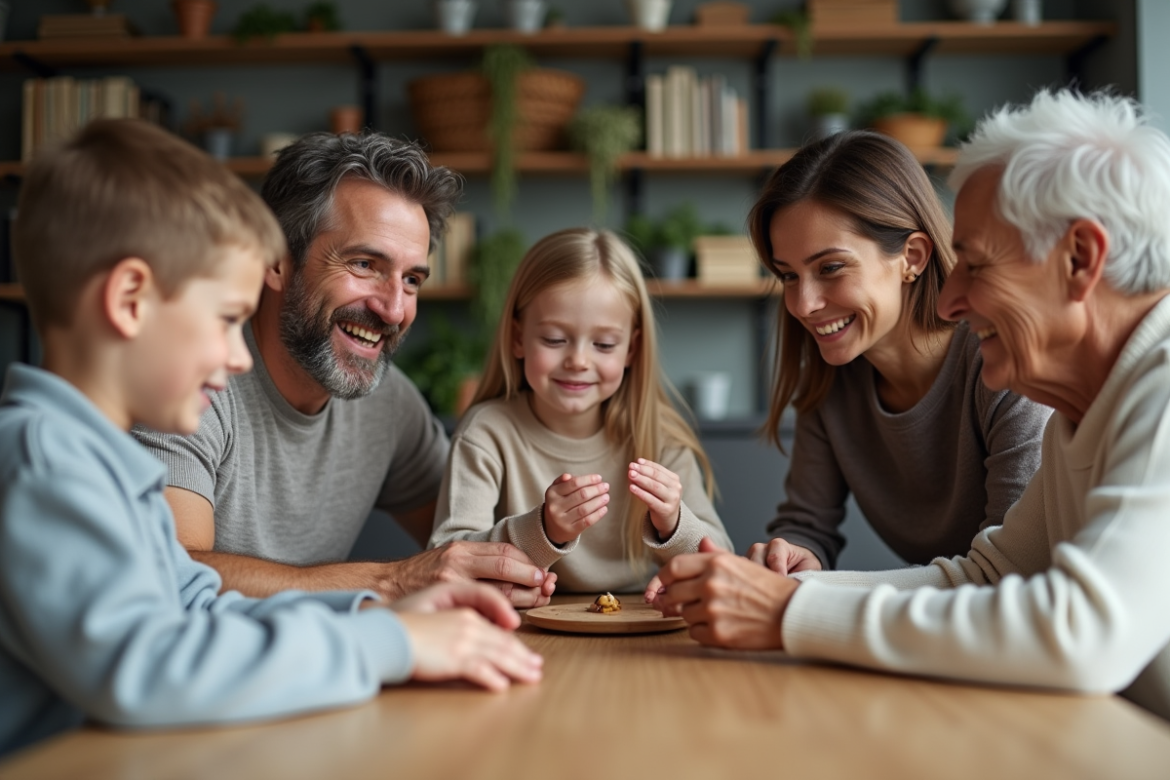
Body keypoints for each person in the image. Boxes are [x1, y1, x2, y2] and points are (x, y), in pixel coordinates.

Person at [0, 120, 542, 757]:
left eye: (412, 280)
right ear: (130, 300)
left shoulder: (105, 464)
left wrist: (375, 616)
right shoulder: (45, 458)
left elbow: (197, 605)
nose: (238, 356)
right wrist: (387, 643)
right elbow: (145, 666)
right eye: (228, 319)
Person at [656, 89, 1170, 721]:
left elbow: (1078, 633)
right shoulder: (1080, 408)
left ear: (1080, 259)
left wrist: (789, 611)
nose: (950, 299)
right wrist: (775, 590)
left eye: (975, 264)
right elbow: (990, 574)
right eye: (788, 275)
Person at [132, 132, 556, 608]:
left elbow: (479, 544)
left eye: (411, 279)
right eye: (364, 263)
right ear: (275, 261)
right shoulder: (190, 382)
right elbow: (175, 572)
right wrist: (394, 580)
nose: (395, 309)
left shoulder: (390, 404)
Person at [743, 130, 1051, 574]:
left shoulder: (1003, 363)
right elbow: (807, 523)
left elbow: (1007, 572)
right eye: (788, 275)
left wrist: (826, 600)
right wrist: (793, 555)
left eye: (830, 268)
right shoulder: (833, 379)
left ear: (913, 256)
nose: (803, 304)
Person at [428, 228, 732, 594]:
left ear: (631, 350)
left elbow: (722, 560)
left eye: (604, 344)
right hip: (527, 630)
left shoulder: (659, 435)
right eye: (554, 339)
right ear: (517, 337)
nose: (578, 361)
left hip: (642, 626)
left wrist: (673, 522)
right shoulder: (487, 432)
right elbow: (446, 558)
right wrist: (543, 529)